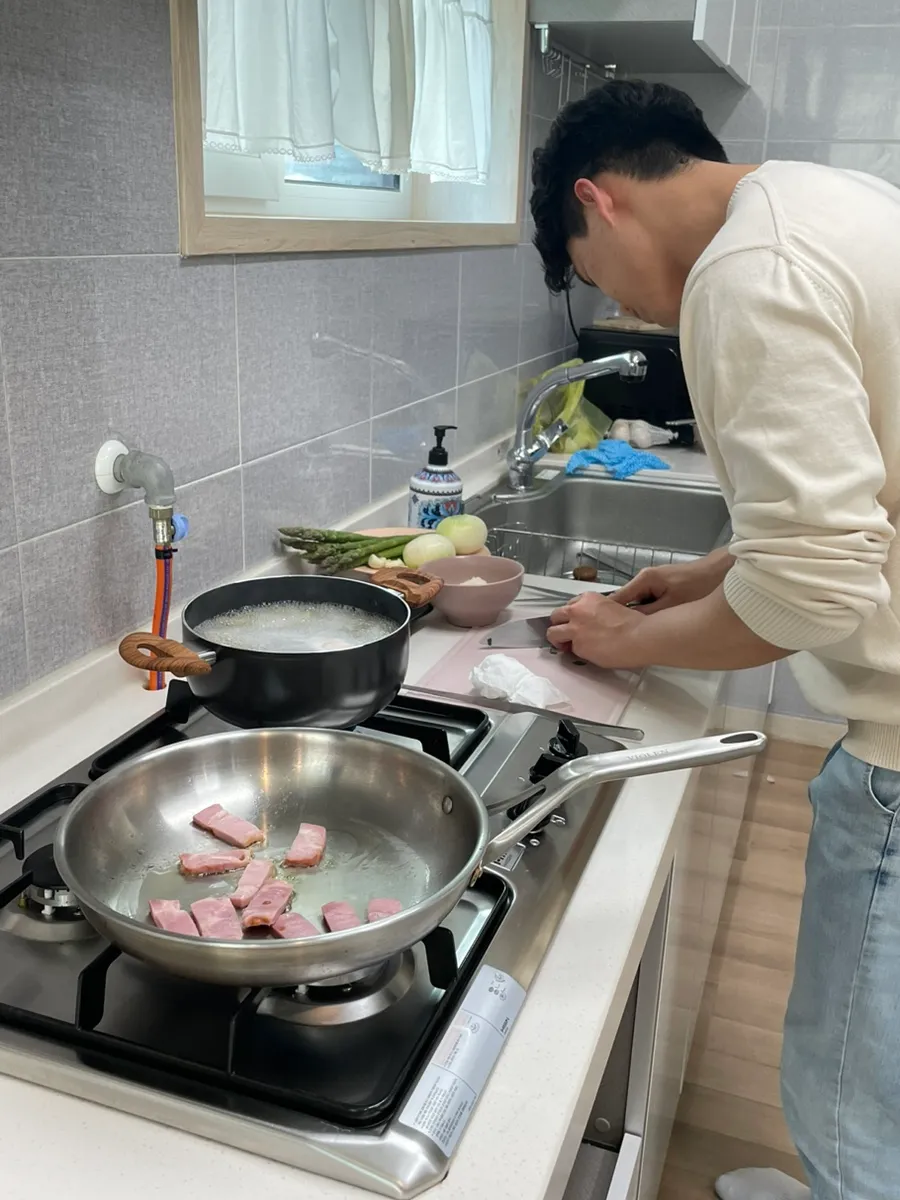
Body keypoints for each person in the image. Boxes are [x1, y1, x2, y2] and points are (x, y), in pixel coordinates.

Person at [529, 80, 900, 1200]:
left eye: (595, 275)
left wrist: (624, 643)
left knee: (849, 1099)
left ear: (597, 200)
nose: (622, 304)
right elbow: (863, 480)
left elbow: (818, 590)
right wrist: (717, 569)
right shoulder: (836, 201)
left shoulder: (747, 274)